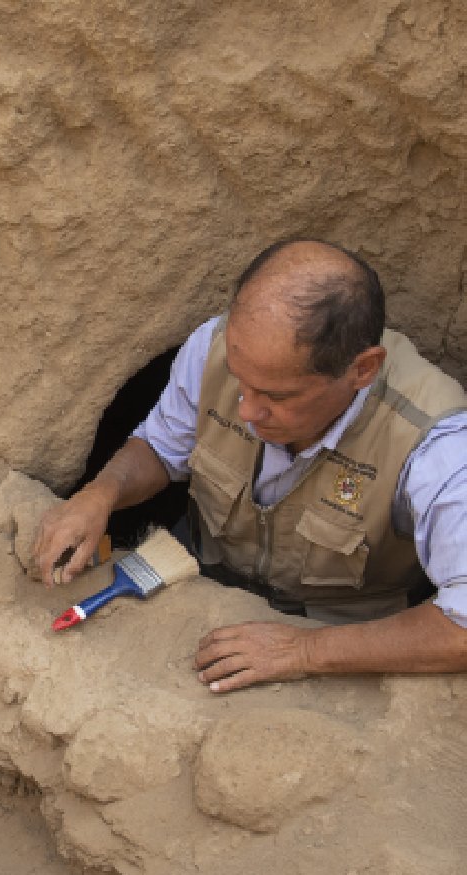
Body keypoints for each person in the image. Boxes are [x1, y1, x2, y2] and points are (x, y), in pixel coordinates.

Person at [33, 239, 467, 693]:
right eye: (241, 382)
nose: (246, 411)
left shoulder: (436, 444)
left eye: (277, 396)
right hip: (195, 568)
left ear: (362, 370)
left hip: (336, 626)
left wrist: (304, 652)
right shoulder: (217, 347)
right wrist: (100, 494)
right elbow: (160, 450)